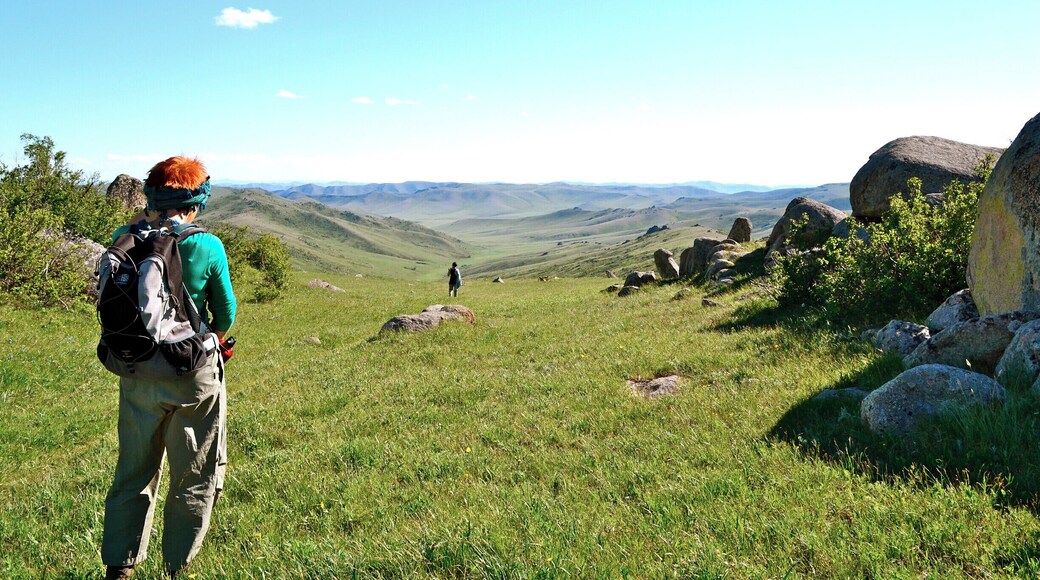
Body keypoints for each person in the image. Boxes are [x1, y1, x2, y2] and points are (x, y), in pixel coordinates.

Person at [101, 157, 237, 579]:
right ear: (196, 201)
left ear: (152, 195)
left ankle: (120, 567)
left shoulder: (123, 237)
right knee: (193, 474)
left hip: (136, 370)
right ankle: (176, 568)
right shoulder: (206, 245)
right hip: (191, 376)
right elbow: (226, 315)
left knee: (133, 472)